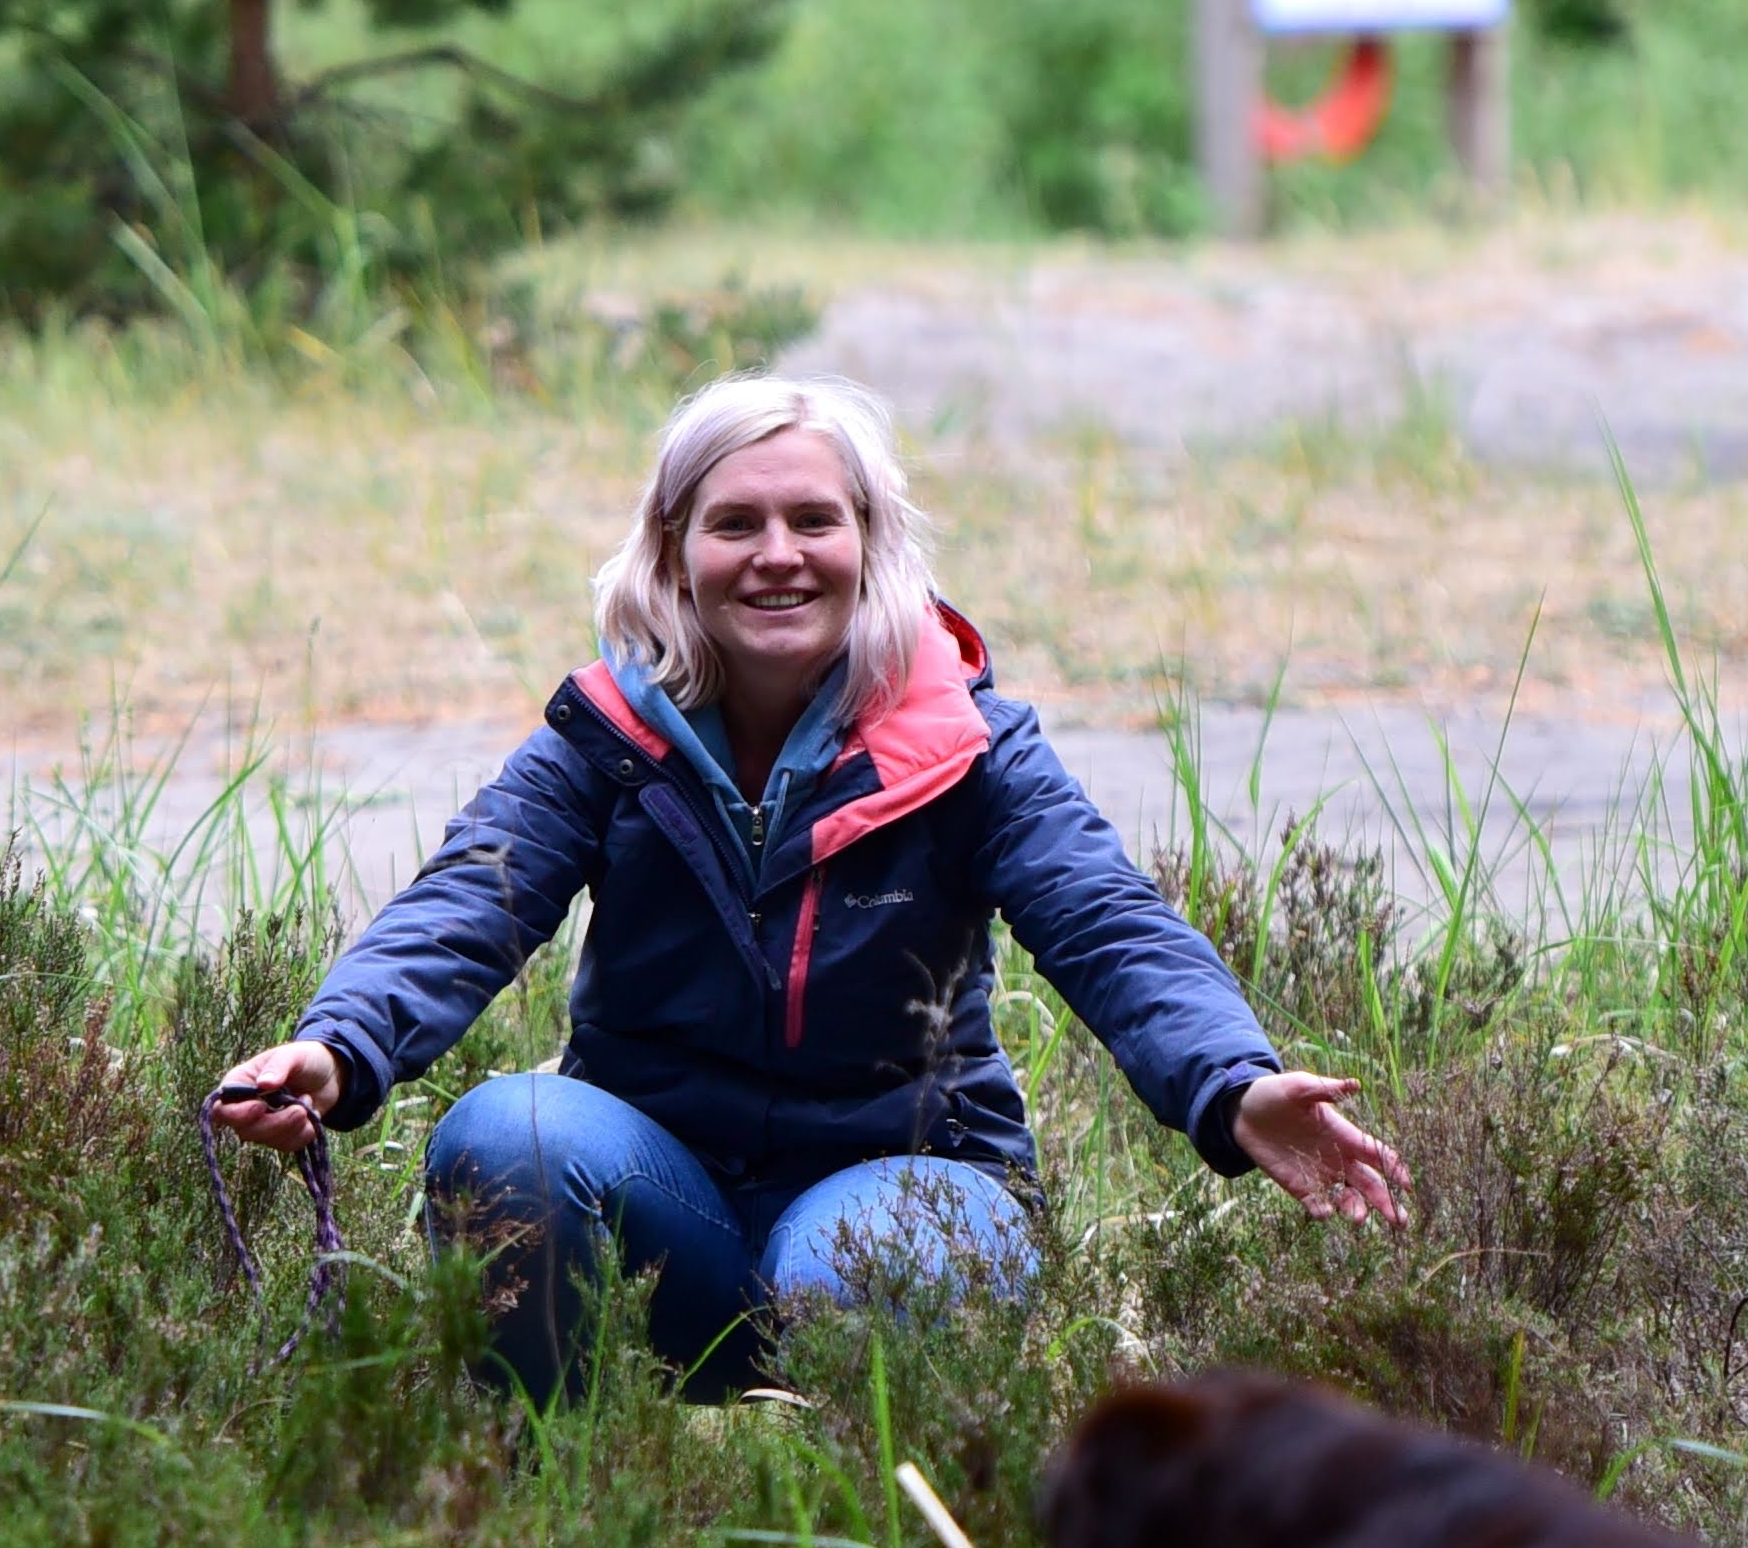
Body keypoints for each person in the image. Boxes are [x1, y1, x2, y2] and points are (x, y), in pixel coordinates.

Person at [213, 373, 1407, 1400]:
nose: (776, 555)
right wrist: (336, 1047)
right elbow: (465, 900)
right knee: (505, 1135)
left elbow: (1106, 920)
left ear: (870, 544)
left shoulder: (967, 745)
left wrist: (1229, 1082)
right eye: (734, 523)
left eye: (811, 520)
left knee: (862, 1269)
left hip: (908, 1186)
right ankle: (549, 1522)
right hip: (659, 1199)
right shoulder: (607, 739)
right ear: (673, 547)